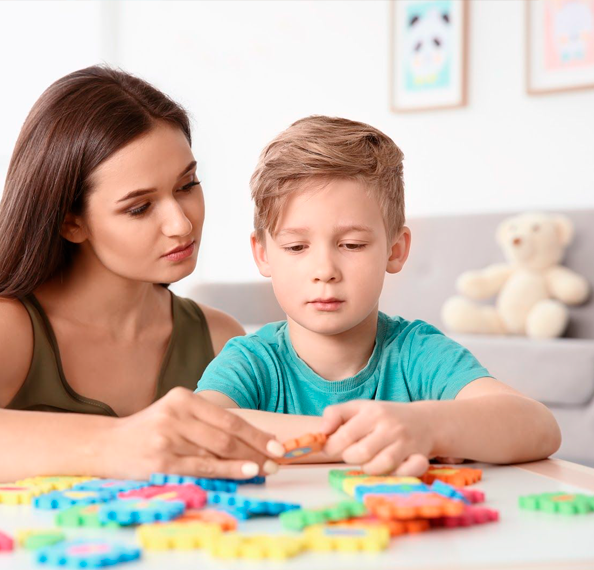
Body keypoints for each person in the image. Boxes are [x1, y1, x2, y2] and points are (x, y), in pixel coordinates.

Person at [0, 66, 285, 483]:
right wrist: (113, 443)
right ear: (70, 221)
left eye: (187, 186)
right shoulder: (3, 331)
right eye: (139, 207)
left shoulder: (218, 338)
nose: (181, 223)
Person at [197, 116, 562, 476]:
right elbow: (198, 430)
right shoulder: (252, 361)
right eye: (296, 247)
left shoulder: (417, 353)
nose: (324, 270)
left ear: (395, 250)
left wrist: (427, 427)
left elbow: (539, 426)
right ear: (263, 253)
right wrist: (366, 439)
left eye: (352, 244)